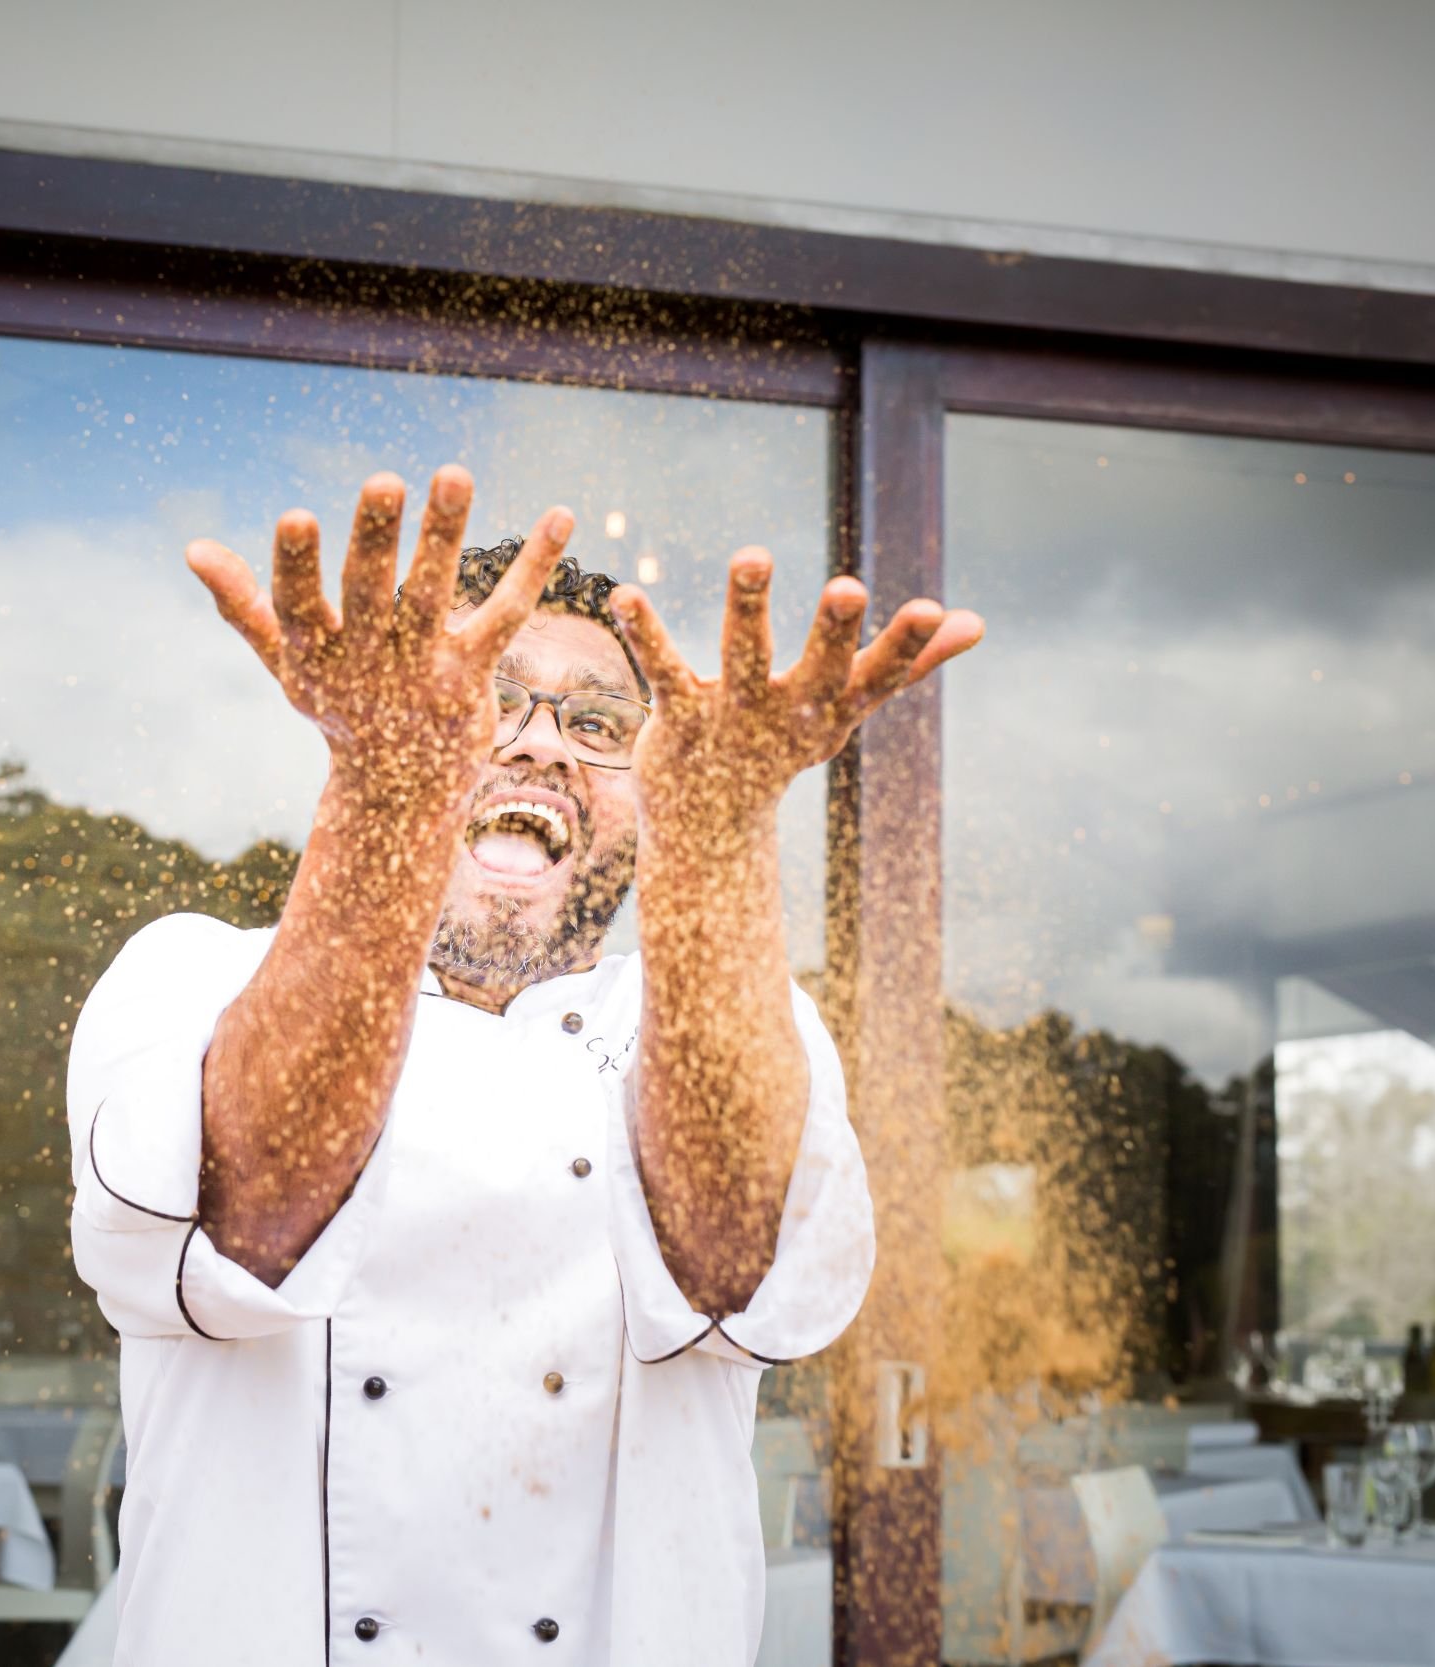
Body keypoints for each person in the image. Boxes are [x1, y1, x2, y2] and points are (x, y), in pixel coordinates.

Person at [66, 468, 984, 1663]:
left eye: (600, 725)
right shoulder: (190, 973)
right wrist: (394, 785)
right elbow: (255, 1214)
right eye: (482, 700)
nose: (537, 745)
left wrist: (713, 831)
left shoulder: (721, 1015)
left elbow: (722, 1270)